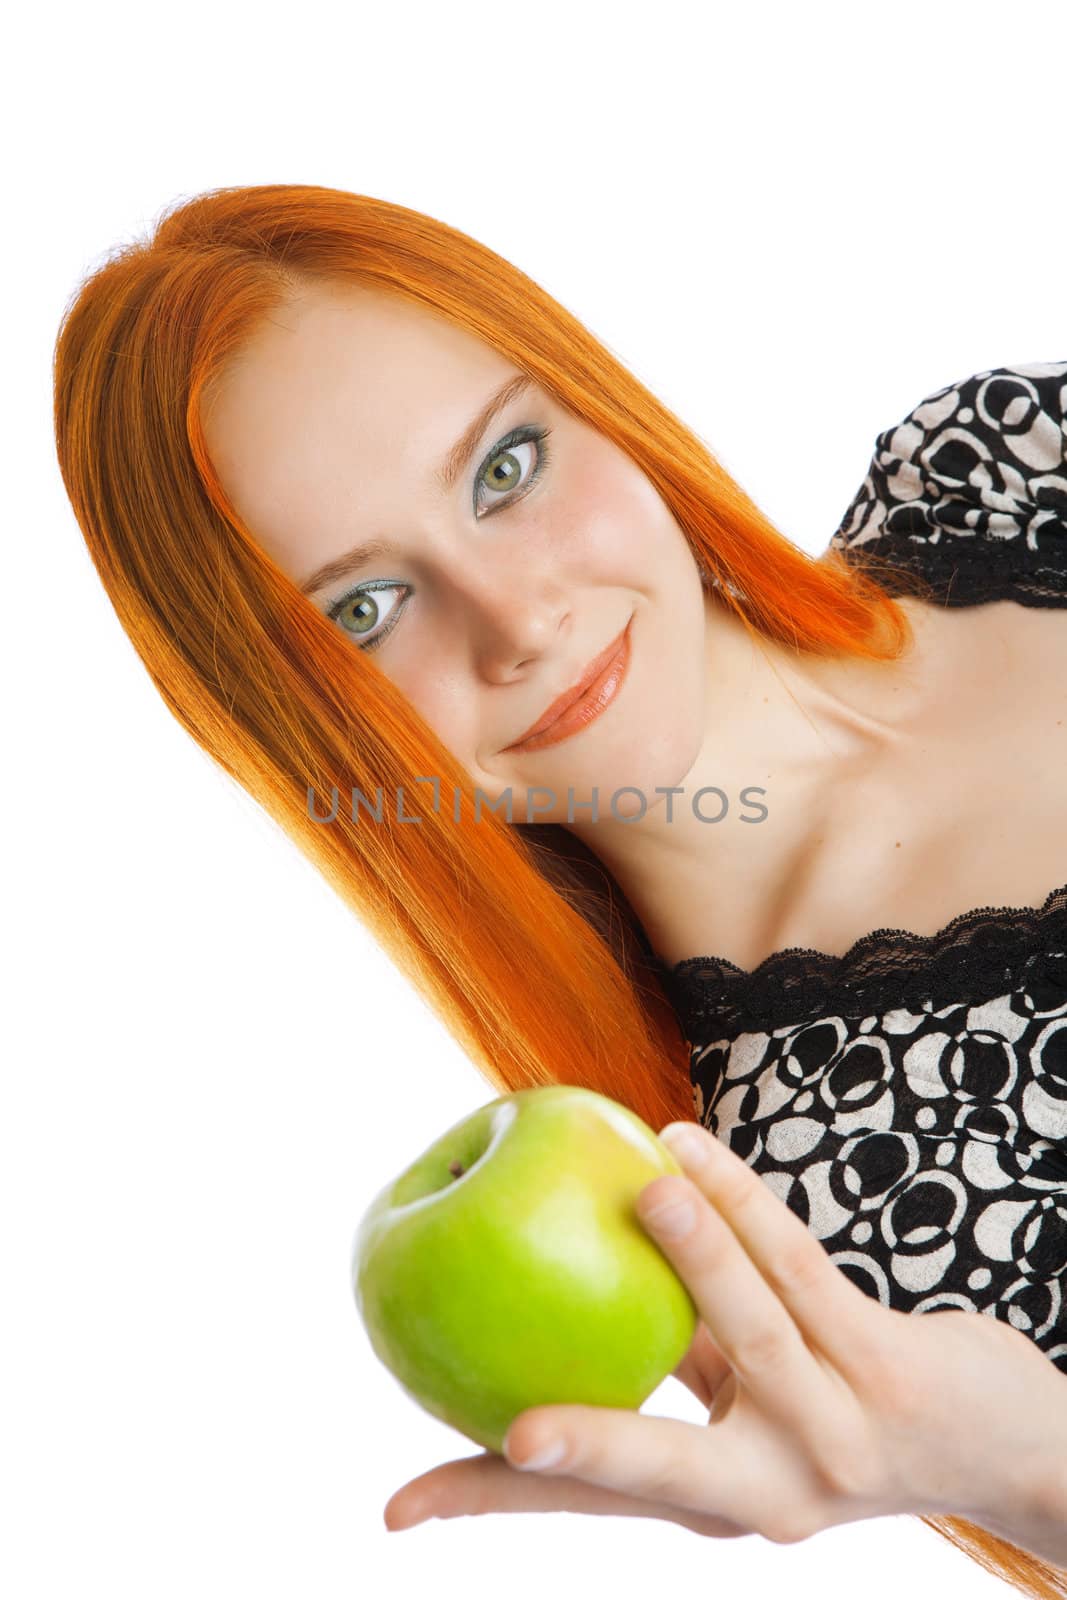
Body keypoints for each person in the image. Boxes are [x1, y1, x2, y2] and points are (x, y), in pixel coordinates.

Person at [52, 183, 1067, 1589]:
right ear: (303, 723)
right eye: (364, 610)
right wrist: (1029, 1473)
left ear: (591, 403)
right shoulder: (799, 1202)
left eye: (505, 467)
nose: (519, 620)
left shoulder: (1010, 462)